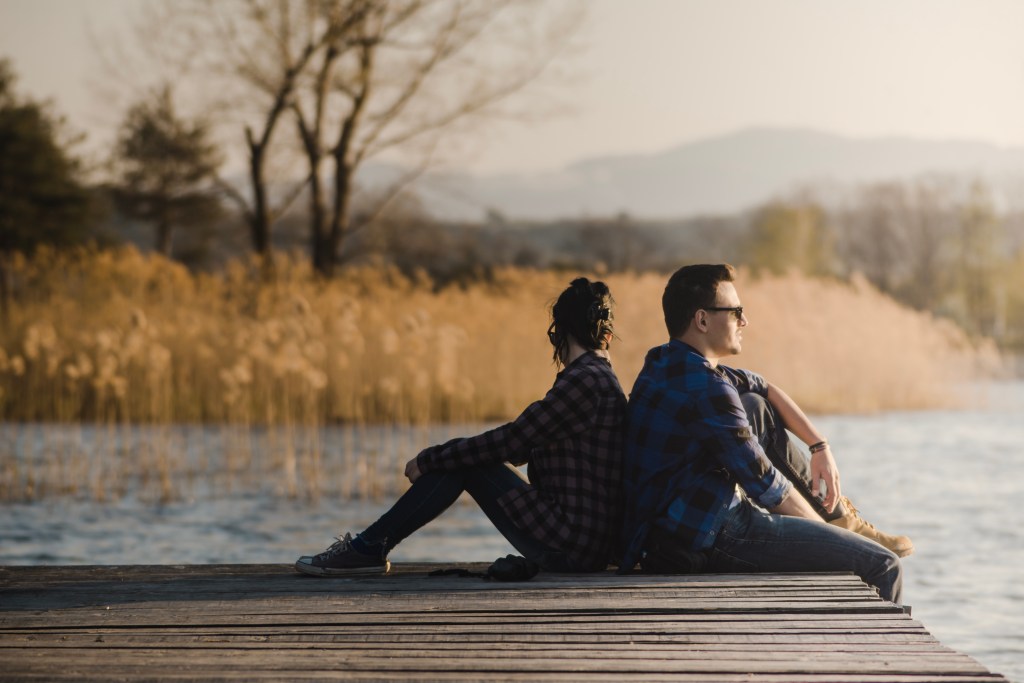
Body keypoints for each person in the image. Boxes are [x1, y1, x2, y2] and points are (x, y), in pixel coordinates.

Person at [296, 277, 626, 576]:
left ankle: (369, 547)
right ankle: (370, 546)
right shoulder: (596, 377)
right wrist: (448, 454)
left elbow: (511, 442)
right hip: (581, 543)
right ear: (605, 334)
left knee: (465, 462)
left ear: (560, 331)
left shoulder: (584, 381)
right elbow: (524, 445)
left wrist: (431, 459)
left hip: (571, 547)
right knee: (463, 456)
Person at [620, 264, 905, 604]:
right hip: (712, 533)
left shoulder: (662, 361)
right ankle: (870, 649)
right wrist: (831, 541)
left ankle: (839, 515)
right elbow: (769, 488)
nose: (745, 321)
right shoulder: (708, 389)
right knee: (884, 564)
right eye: (736, 312)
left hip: (669, 524)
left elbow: (763, 387)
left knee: (755, 403)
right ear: (702, 320)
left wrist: (819, 445)